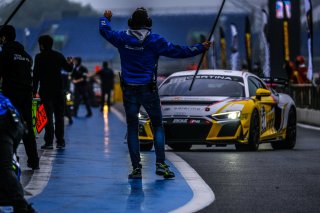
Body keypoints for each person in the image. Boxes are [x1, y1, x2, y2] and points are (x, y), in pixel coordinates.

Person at [99, 8, 211, 179]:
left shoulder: (121, 38)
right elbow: (179, 51)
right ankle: (161, 165)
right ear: (148, 23)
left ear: (131, 23)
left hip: (128, 89)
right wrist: (200, 48)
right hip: (148, 89)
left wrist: (105, 18)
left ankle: (136, 168)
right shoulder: (154, 40)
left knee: (132, 128)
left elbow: (104, 30)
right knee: (157, 126)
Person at [0, 25, 40, 170]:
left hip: (11, 95)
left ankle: (12, 160)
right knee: (27, 127)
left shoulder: (4, 53)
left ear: (3, 37)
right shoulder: (27, 56)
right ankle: (34, 160)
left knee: (10, 127)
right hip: (26, 95)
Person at [33, 35, 73, 149]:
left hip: (45, 91)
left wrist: (34, 91)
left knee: (48, 117)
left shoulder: (39, 57)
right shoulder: (58, 55)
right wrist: (71, 63)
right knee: (59, 116)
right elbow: (68, 69)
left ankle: (49, 142)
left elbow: (36, 75)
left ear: (41, 45)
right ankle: (60, 141)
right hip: (58, 90)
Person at [0, 92, 37, 213]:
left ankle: (22, 207)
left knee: (4, 168)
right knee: (8, 165)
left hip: (5, 124)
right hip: (15, 121)